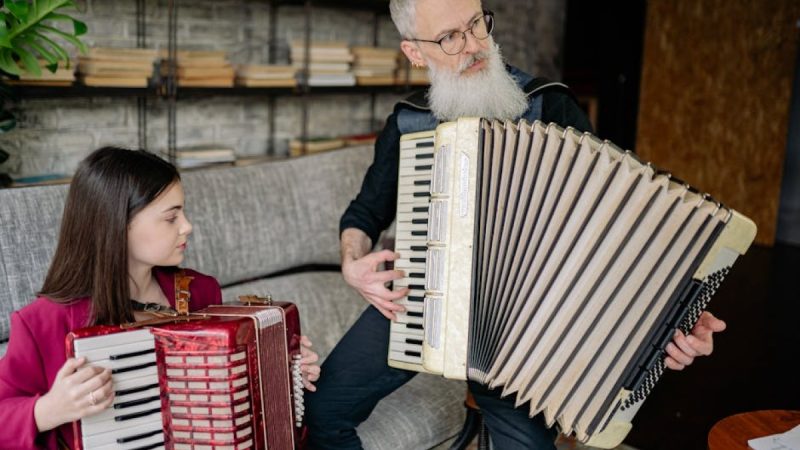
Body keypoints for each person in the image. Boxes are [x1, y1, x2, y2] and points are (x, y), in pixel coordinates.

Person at [305, 0, 727, 448]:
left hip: (521, 327)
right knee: (322, 410)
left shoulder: (549, 104)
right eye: (450, 37)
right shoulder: (409, 123)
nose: (473, 46)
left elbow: (624, 220)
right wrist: (353, 263)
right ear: (414, 52)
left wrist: (680, 313)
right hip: (422, 304)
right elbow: (364, 213)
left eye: (476, 25)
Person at [0, 147, 321, 449]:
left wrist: (281, 373)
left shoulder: (201, 292)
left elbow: (231, 406)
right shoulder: (43, 322)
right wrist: (47, 410)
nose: (188, 226)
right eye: (171, 217)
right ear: (119, 225)